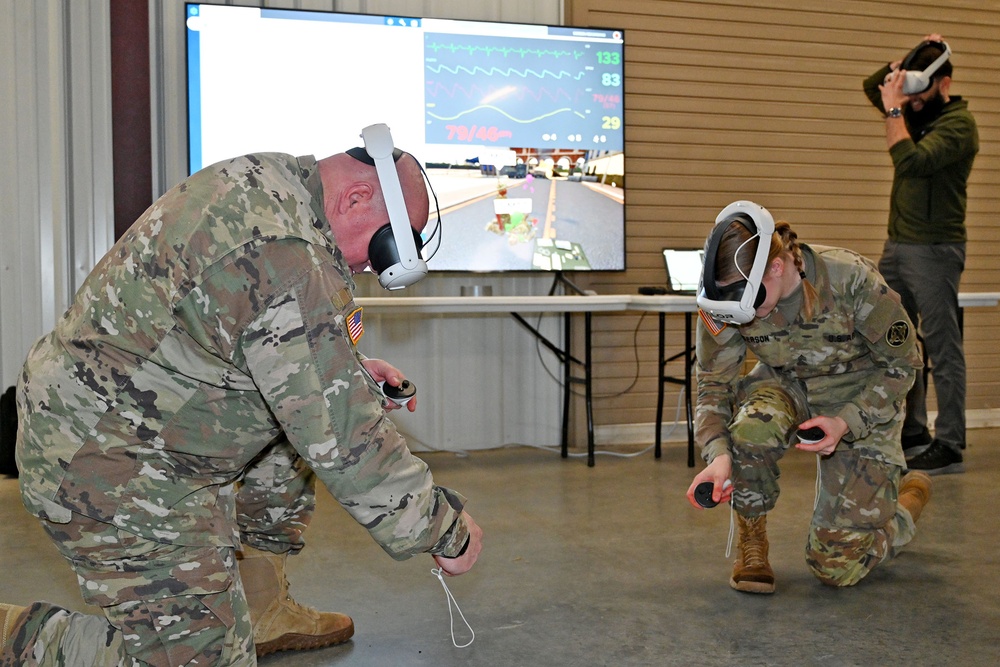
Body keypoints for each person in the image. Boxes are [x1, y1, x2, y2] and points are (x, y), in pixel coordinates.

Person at [1, 138, 483, 665]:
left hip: (122, 420)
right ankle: (19, 637)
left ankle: (261, 606)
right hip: (112, 467)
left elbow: (236, 336)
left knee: (298, 427)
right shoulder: (290, 255)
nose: (370, 267)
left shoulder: (270, 180)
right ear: (356, 197)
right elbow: (347, 444)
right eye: (383, 246)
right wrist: (445, 529)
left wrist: (348, 374)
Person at [687, 200, 932, 594]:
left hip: (861, 395)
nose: (745, 318)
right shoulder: (724, 301)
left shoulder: (851, 281)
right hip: (787, 383)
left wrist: (845, 422)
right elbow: (713, 386)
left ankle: (904, 505)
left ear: (777, 267)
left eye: (754, 305)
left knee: (835, 568)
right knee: (751, 431)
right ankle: (752, 541)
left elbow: (903, 366)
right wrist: (718, 455)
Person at [863, 34, 979, 475]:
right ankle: (912, 430)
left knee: (942, 346)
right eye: (908, 89)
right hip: (898, 246)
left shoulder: (958, 125)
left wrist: (896, 109)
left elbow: (909, 161)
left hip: (934, 249)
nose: (909, 100)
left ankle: (949, 441)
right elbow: (873, 84)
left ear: (944, 84)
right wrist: (913, 56)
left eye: (920, 89)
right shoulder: (918, 109)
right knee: (896, 337)